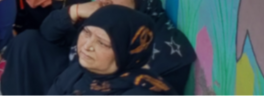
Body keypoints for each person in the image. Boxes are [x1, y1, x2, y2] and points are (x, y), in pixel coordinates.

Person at [2, 0, 195, 96]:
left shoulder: (163, 43)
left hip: (108, 86)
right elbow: (47, 32)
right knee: (28, 41)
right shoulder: (103, 19)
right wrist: (74, 11)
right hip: (80, 75)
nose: (105, 0)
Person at [46, 5, 178, 96]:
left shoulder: (142, 92)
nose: (87, 46)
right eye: (86, 32)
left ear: (127, 52)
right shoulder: (79, 71)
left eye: (102, 43)